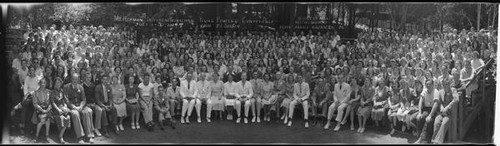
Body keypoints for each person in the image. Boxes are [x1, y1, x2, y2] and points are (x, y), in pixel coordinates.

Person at [63, 73, 94, 144]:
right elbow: (66, 99)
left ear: (78, 80)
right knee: (75, 114)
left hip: (80, 106)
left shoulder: (81, 87)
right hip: (72, 107)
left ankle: (90, 135)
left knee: (88, 111)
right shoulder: (66, 87)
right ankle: (80, 137)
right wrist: (74, 107)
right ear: (71, 79)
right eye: (73, 79)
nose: (75, 81)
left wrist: (81, 106)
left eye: (76, 79)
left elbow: (84, 99)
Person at [431, 77, 458, 144]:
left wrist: (448, 107)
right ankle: (433, 140)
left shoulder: (453, 90)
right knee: (436, 123)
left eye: (447, 84)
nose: (446, 86)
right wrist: (442, 108)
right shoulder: (440, 92)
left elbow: (456, 99)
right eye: (444, 84)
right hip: (441, 112)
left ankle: (438, 142)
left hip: (449, 113)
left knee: (444, 124)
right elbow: (439, 102)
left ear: (449, 84)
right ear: (442, 85)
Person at [414, 79, 440, 144]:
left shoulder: (435, 91)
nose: (428, 85)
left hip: (433, 109)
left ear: (433, 85)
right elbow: (420, 101)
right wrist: (419, 113)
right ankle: (422, 137)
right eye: (427, 84)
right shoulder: (425, 90)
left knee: (428, 120)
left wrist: (430, 115)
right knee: (419, 118)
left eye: (430, 84)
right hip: (425, 108)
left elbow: (435, 104)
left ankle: (422, 139)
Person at [50, 77, 71, 144]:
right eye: (56, 83)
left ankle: (61, 135)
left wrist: (65, 106)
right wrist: (58, 110)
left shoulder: (62, 91)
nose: (58, 84)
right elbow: (53, 103)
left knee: (67, 117)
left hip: (62, 107)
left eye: (59, 83)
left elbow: (64, 101)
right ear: (54, 84)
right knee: (61, 118)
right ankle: (61, 137)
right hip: (55, 109)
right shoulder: (52, 92)